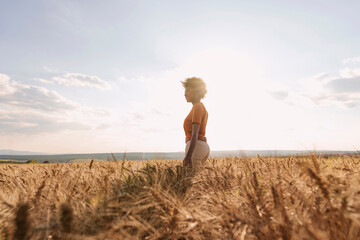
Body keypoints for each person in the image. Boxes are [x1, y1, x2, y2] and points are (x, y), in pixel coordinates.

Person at [181, 77, 210, 174]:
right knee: (196, 179)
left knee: (191, 180)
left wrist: (188, 156)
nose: (185, 94)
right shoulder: (198, 107)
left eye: (188, 90)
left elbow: (195, 132)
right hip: (199, 146)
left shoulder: (198, 107)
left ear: (196, 92)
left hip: (195, 146)